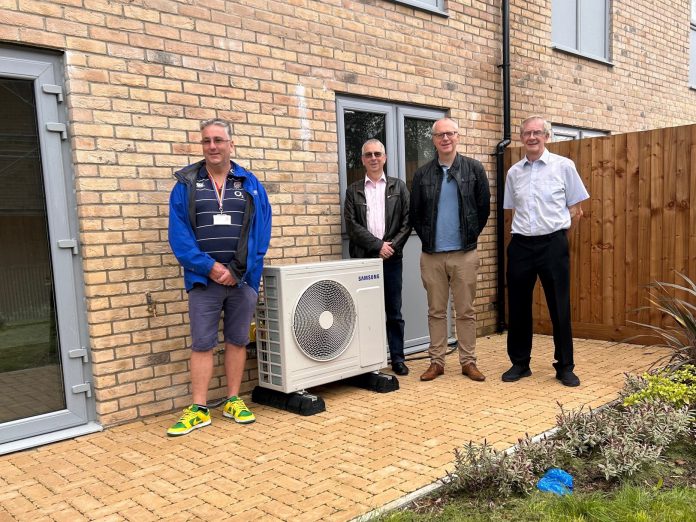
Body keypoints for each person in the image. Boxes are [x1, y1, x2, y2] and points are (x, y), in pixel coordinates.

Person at [166, 118, 272, 436]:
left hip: (242, 280)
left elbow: (261, 232)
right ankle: (198, 408)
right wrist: (210, 267)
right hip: (203, 280)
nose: (212, 146)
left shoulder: (249, 183)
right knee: (202, 343)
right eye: (206, 141)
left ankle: (232, 400)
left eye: (218, 140)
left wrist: (237, 272)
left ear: (231, 144)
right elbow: (179, 236)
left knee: (238, 340)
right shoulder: (186, 184)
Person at [502, 116, 589, 387]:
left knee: (559, 306)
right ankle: (520, 363)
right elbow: (512, 209)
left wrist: (560, 238)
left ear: (547, 136)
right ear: (521, 138)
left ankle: (565, 366)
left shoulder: (564, 167)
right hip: (521, 245)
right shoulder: (513, 172)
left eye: (537, 133)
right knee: (517, 307)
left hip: (553, 244)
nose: (531, 137)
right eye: (526, 133)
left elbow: (577, 211)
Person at [410, 118, 491, 382]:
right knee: (435, 311)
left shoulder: (474, 169)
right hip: (432, 255)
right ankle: (437, 362)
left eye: (450, 134)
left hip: (464, 254)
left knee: (465, 311)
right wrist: (430, 241)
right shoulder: (422, 174)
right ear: (433, 140)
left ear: (458, 136)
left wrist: (468, 238)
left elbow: (482, 209)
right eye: (439, 135)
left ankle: (468, 361)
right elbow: (416, 213)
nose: (445, 139)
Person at [344, 139, 412, 375]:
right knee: (364, 311)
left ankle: (397, 358)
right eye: (368, 154)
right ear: (362, 160)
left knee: (394, 312)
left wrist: (390, 247)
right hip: (364, 260)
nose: (373, 158)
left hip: (392, 259)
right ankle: (368, 361)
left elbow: (407, 221)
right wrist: (377, 246)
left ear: (385, 157)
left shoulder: (399, 187)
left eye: (377, 154)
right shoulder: (353, 190)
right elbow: (352, 226)